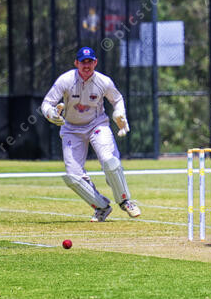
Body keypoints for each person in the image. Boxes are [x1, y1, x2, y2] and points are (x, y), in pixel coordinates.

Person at [41, 46, 140, 222]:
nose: (86, 66)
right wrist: (51, 114)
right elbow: (47, 103)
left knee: (109, 161)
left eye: (90, 62)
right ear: (76, 63)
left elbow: (117, 99)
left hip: (97, 125)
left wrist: (119, 114)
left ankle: (125, 201)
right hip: (71, 129)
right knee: (73, 176)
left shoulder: (103, 81)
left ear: (95, 62)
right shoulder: (66, 80)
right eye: (83, 62)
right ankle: (101, 207)